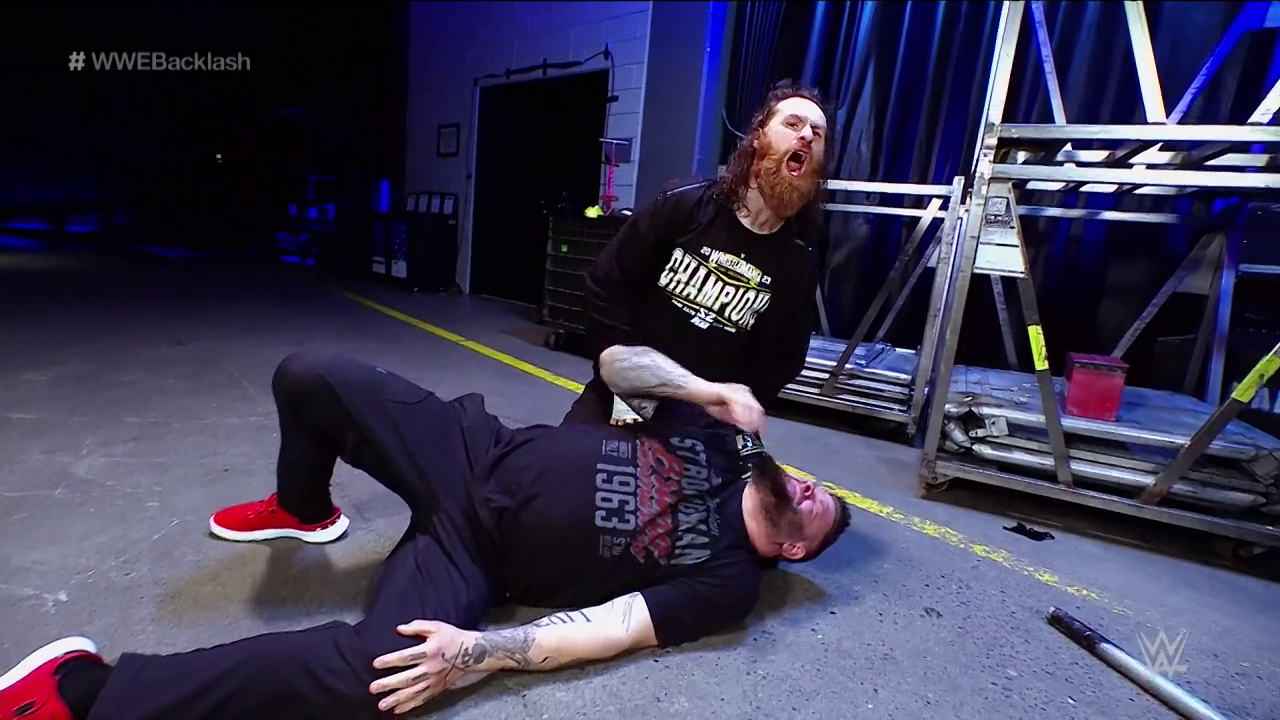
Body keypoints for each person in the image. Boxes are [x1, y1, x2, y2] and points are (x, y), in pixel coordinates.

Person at [1, 351, 851, 720]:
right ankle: (302, 507)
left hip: (475, 554)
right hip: (470, 445)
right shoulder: (722, 443)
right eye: (819, 482)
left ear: (797, 549)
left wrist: (476, 652)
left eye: (823, 511)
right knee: (310, 375)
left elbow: (617, 626)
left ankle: (84, 691)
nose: (814, 489)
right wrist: (708, 391)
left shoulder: (729, 583)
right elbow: (615, 366)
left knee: (379, 678)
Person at [563, 83, 833, 430]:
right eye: (793, 124)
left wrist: (732, 409)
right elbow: (606, 285)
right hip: (623, 398)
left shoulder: (797, 263)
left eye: (817, 133)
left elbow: (781, 360)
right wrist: (625, 376)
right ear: (757, 137)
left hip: (705, 423)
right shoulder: (684, 205)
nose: (807, 135)